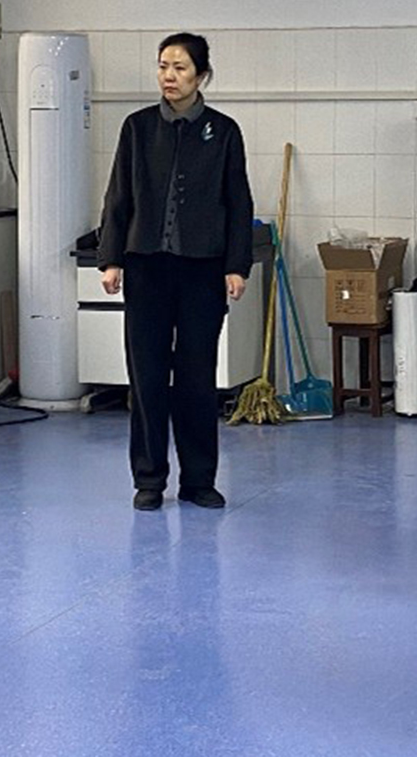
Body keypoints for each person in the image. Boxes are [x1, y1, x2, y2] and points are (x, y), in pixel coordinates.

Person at [98, 32, 254, 511]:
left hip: (202, 272)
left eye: (180, 67)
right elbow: (118, 196)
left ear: (201, 76)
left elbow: (238, 202)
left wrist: (237, 265)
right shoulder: (138, 127)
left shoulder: (223, 131)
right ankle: (149, 479)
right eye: (164, 66)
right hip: (146, 268)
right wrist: (110, 257)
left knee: (196, 377)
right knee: (146, 377)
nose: (169, 76)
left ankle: (199, 480)